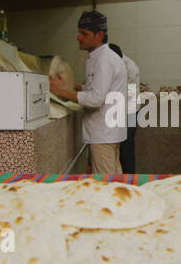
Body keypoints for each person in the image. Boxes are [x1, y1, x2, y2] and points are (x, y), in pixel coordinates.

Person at [49, 10, 127, 174]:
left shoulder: (103, 60)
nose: (78, 37)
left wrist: (62, 92)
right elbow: (100, 90)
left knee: (106, 185)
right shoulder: (103, 57)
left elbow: (96, 99)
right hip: (109, 132)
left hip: (104, 134)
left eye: (84, 33)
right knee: (115, 178)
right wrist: (77, 87)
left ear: (99, 35)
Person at [109, 44, 139, 174]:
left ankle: (129, 180)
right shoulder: (120, 63)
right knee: (120, 149)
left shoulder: (129, 68)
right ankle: (123, 178)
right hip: (122, 110)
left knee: (126, 149)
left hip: (129, 112)